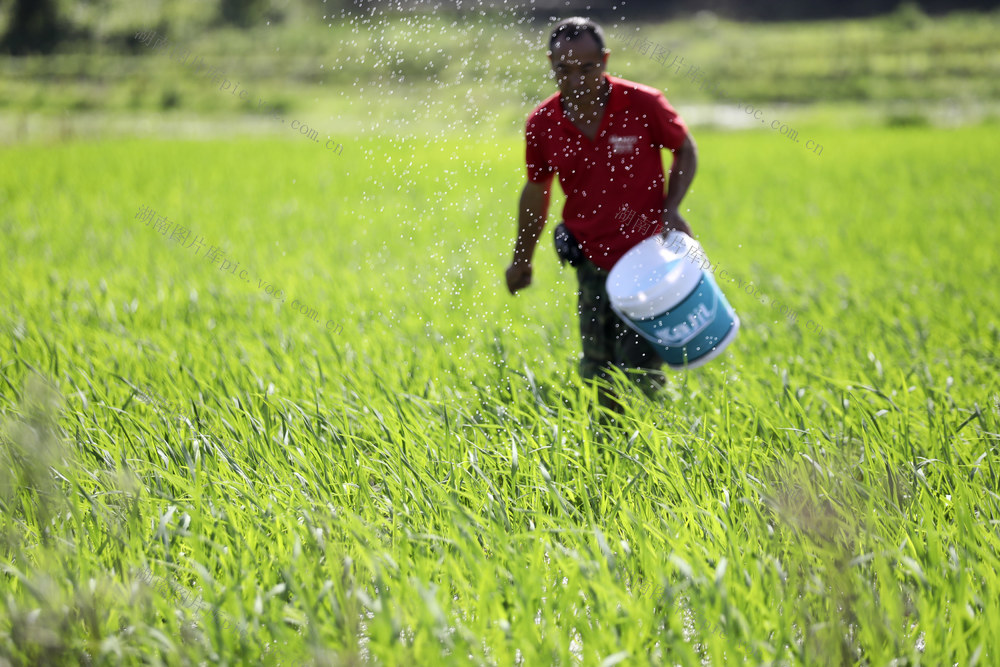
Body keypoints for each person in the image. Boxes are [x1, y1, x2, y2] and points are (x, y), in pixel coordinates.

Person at [504, 17, 698, 410]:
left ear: (605, 60)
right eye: (563, 70)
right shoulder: (543, 123)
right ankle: (606, 447)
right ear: (551, 64)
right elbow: (536, 191)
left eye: (587, 69)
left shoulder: (642, 104)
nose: (575, 79)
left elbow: (685, 148)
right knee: (597, 366)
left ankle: (653, 446)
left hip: (648, 255)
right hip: (590, 258)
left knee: (641, 365)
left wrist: (671, 208)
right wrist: (521, 259)